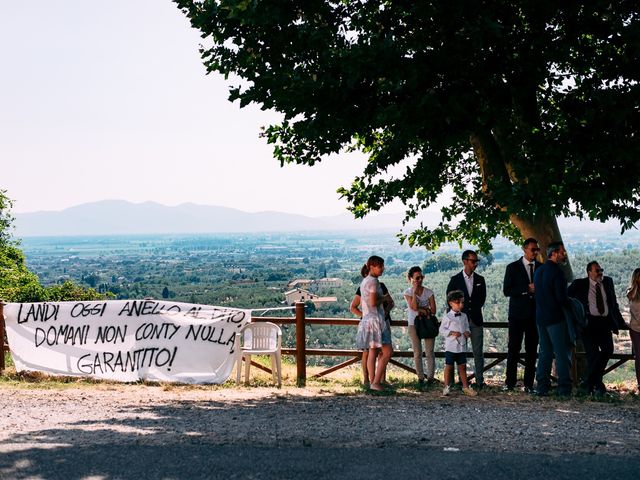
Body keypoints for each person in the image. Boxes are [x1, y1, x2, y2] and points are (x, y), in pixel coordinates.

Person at [568, 261, 624, 395]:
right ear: (589, 272)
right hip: (588, 324)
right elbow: (566, 298)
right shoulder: (579, 284)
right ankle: (597, 387)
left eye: (601, 270)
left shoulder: (608, 282)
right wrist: (574, 318)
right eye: (597, 270)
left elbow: (613, 303)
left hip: (604, 323)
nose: (600, 273)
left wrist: (620, 322)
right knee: (592, 355)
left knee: (608, 350)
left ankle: (587, 382)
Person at [502, 238, 542, 393]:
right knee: (513, 349)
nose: (536, 252)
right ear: (525, 249)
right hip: (517, 315)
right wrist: (526, 288)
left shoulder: (541, 267)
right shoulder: (512, 267)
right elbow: (507, 290)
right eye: (533, 249)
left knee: (532, 351)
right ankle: (509, 383)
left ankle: (529, 384)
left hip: (535, 316)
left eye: (537, 249)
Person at [534, 241, 572, 396]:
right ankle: (564, 388)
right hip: (556, 318)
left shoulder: (539, 271)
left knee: (544, 353)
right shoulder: (558, 273)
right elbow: (561, 297)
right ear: (554, 253)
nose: (564, 255)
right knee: (561, 353)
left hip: (540, 317)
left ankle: (542, 387)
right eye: (562, 252)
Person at [446, 250, 486, 388]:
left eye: (476, 261)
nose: (476, 264)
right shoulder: (455, 280)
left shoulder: (481, 279)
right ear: (465, 261)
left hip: (475, 320)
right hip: (460, 321)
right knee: (459, 351)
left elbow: (482, 300)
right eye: (473, 261)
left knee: (478, 352)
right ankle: (462, 381)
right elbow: (449, 300)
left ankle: (480, 381)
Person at [355, 255, 393, 391]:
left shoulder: (365, 281)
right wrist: (384, 298)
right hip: (376, 320)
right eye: (380, 266)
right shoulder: (374, 282)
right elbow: (373, 302)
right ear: (372, 267)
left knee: (372, 351)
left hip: (367, 320)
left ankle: (373, 382)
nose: (383, 269)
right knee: (388, 351)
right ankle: (376, 382)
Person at [440, 290, 477, 397]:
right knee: (449, 366)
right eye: (458, 302)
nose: (461, 305)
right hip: (451, 347)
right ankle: (446, 387)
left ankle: (465, 387)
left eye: (462, 302)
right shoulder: (447, 317)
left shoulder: (464, 316)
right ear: (451, 303)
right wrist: (451, 332)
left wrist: (467, 332)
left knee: (462, 367)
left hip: (461, 346)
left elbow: (466, 327)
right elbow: (442, 330)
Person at [403, 266, 437, 386]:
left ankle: (431, 378)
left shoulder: (429, 292)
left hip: (427, 323)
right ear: (410, 278)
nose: (420, 280)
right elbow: (413, 307)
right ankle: (421, 378)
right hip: (414, 324)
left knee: (429, 352)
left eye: (421, 277)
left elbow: (433, 310)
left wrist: (422, 310)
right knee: (417, 352)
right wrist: (414, 291)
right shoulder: (408, 292)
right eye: (417, 278)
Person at [626, 268, 640, 393]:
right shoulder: (631, 291)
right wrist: (636, 285)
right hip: (636, 328)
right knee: (639, 357)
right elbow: (631, 297)